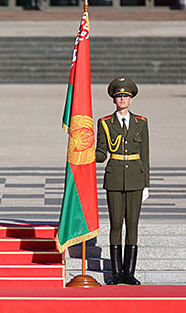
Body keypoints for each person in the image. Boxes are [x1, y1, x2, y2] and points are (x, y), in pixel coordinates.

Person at [96, 77, 150, 285]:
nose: (122, 100)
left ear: (131, 100)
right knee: (116, 224)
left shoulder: (141, 123)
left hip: (136, 177)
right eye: (119, 97)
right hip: (115, 178)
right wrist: (86, 153)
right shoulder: (105, 123)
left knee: (133, 225)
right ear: (114, 100)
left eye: (126, 97)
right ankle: (116, 273)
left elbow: (145, 154)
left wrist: (146, 183)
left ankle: (129, 272)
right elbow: (102, 153)